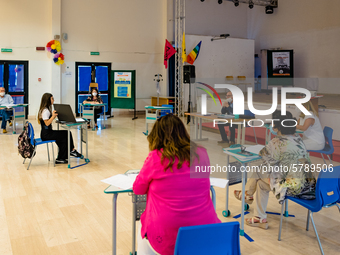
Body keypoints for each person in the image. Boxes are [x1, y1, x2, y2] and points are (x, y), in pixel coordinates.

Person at [133, 114, 221, 255]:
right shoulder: (201, 153)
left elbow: (138, 189)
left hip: (167, 237)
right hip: (205, 231)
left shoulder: (156, 157)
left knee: (142, 227)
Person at [234, 110, 316, 229]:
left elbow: (265, 157)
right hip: (308, 187)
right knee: (262, 184)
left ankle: (246, 194)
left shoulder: (277, 142)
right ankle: (258, 217)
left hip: (293, 189)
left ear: (277, 127)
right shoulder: (298, 139)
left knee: (259, 169)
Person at [38, 93, 82, 164]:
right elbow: (47, 123)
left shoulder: (45, 109)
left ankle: (61, 157)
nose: (53, 100)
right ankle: (71, 150)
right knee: (67, 133)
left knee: (64, 136)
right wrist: (53, 116)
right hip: (46, 134)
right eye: (52, 98)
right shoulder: (45, 111)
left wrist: (54, 117)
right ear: (48, 100)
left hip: (47, 133)